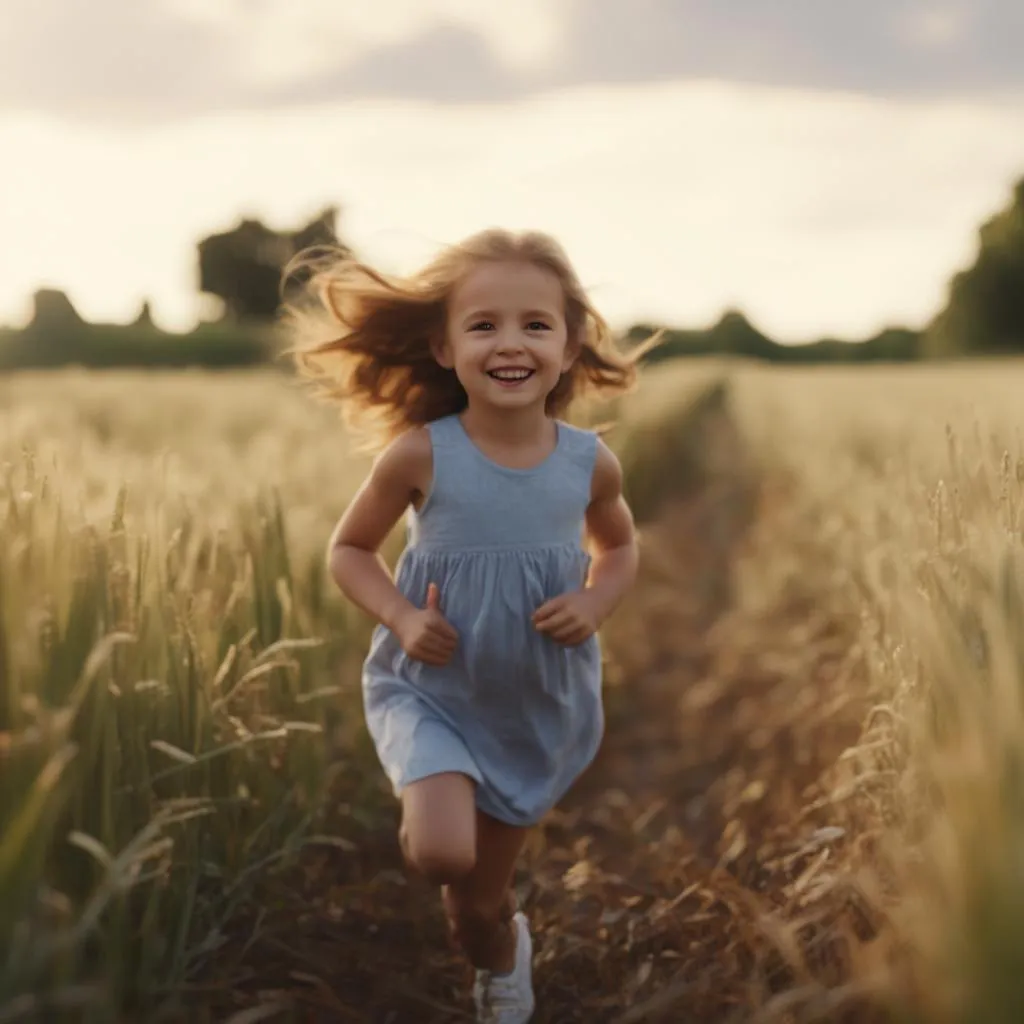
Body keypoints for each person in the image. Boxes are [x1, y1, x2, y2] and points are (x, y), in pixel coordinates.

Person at [284, 228, 647, 1023]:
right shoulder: (421, 455)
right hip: (434, 690)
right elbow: (349, 550)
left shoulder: (589, 463)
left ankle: (502, 958)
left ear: (569, 343)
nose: (509, 343)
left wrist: (593, 602)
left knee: (474, 912)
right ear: (445, 349)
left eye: (534, 324)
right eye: (483, 325)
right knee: (443, 852)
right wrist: (403, 616)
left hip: (531, 696)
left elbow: (618, 547)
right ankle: (430, 798)